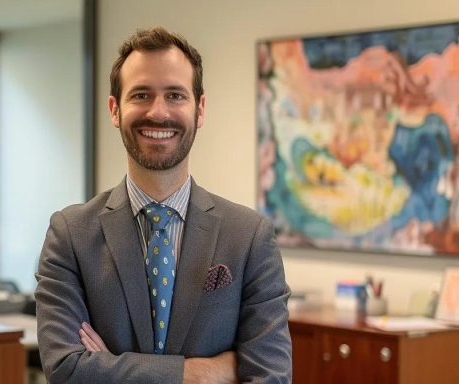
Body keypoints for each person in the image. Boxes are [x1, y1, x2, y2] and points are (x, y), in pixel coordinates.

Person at [34, 27, 291, 383]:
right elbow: (67, 369)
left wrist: (110, 368)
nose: (158, 112)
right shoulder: (71, 235)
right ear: (115, 109)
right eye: (141, 94)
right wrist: (200, 373)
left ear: (199, 110)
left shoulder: (248, 237)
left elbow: (270, 377)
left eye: (175, 95)